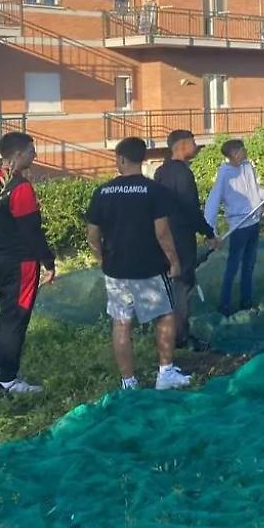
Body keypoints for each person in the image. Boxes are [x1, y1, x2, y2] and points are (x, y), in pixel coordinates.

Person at [85, 137, 190, 390]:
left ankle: (128, 381)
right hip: (150, 267)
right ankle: (165, 373)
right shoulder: (154, 191)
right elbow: (162, 233)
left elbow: (92, 236)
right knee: (165, 316)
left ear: (121, 159)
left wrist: (103, 259)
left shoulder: (102, 192)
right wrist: (174, 262)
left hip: (116, 270)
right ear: (142, 159)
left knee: (121, 323)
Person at [0, 132, 56, 394]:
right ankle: (8, 380)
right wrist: (48, 261)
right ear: (18, 154)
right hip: (20, 261)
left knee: (6, 313)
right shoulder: (20, 187)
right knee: (16, 318)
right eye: (32, 151)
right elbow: (30, 229)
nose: (35, 155)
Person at [154, 129, 217, 349]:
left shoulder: (160, 172)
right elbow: (191, 208)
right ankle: (179, 337)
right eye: (193, 142)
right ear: (180, 146)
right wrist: (208, 233)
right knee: (183, 285)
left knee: (169, 286)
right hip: (181, 238)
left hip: (163, 238)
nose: (196, 146)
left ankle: (167, 333)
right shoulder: (183, 173)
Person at [204, 139, 264, 316]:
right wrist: (212, 232)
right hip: (239, 227)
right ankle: (224, 306)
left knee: (249, 265)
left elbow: (256, 193)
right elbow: (213, 203)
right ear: (234, 153)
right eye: (241, 149)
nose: (245, 151)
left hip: (254, 221)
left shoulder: (248, 167)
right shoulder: (225, 174)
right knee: (233, 266)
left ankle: (246, 303)